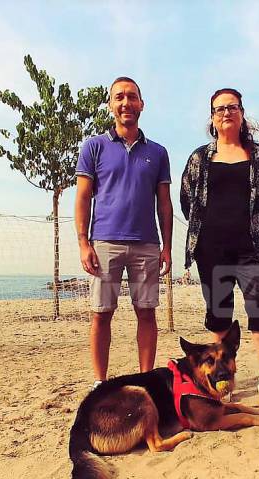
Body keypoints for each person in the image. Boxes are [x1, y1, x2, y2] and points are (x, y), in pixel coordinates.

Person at [179, 88, 259, 412]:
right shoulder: (199, 158)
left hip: (252, 249)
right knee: (219, 315)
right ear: (212, 118)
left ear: (242, 114)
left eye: (232, 107)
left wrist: (250, 224)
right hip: (211, 251)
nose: (226, 113)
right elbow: (187, 202)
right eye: (219, 108)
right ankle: (221, 381)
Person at [75, 77, 173, 387]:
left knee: (146, 313)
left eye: (132, 97)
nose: (125, 102)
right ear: (110, 105)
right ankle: (100, 383)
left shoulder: (157, 152)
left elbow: (165, 205)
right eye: (119, 97)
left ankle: (145, 381)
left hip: (146, 245)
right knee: (101, 314)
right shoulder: (94, 147)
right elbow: (82, 197)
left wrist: (167, 246)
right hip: (105, 242)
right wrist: (83, 243)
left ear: (142, 104)